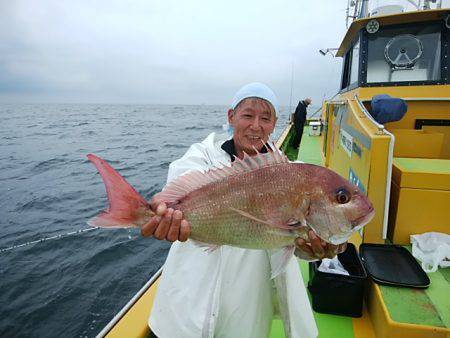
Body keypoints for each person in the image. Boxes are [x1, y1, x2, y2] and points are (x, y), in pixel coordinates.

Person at [141, 83, 346, 338]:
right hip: (185, 310)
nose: (256, 126)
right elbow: (180, 182)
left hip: (245, 313)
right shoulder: (203, 155)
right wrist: (165, 210)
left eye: (266, 118)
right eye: (247, 115)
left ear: (275, 124)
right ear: (231, 117)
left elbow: (296, 244)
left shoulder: (294, 173)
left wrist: (312, 250)